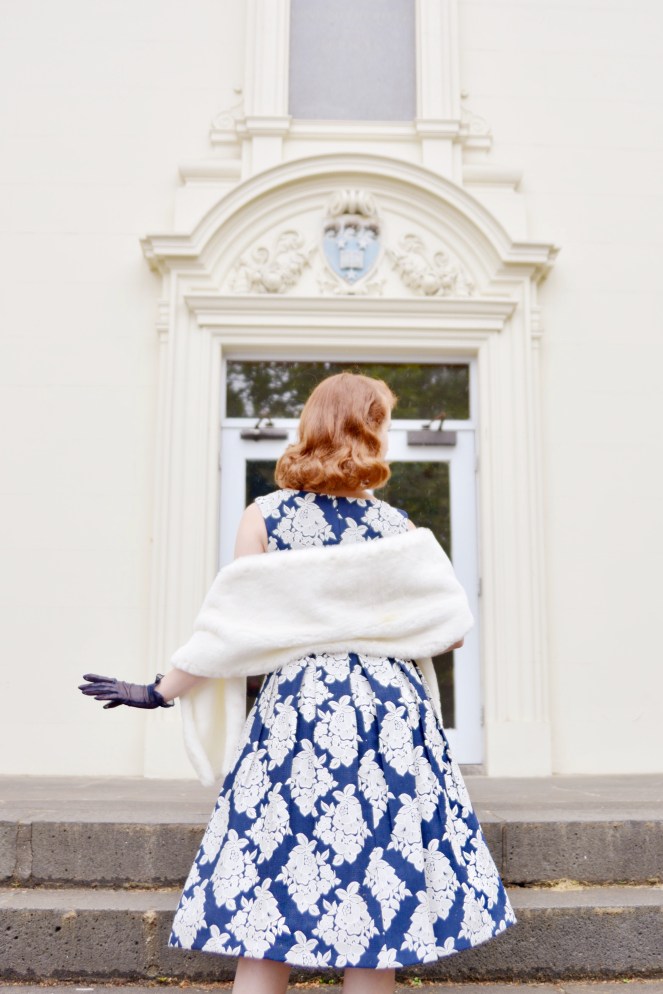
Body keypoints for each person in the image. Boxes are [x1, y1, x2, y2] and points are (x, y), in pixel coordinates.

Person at [80, 372, 516, 994]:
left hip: (301, 710)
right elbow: (451, 632)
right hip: (387, 712)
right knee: (378, 893)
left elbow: (230, 628)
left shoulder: (265, 516)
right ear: (370, 430)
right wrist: (370, 626)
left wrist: (159, 690)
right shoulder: (396, 529)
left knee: (269, 885)